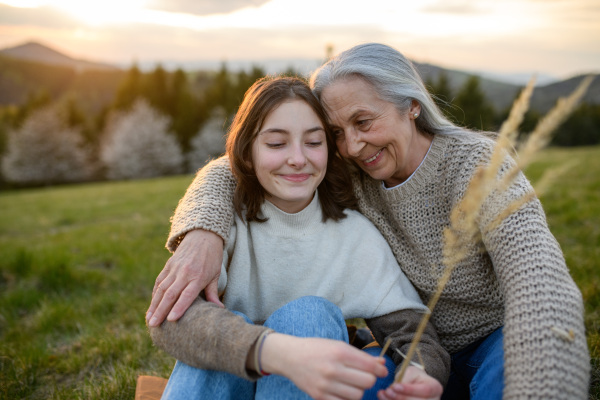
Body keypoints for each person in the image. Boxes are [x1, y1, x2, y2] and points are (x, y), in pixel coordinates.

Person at [146, 44, 590, 399]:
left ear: (411, 105)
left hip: (494, 340)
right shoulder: (346, 171)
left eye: (363, 121)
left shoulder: (478, 166)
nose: (353, 146)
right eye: (337, 133)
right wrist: (203, 231)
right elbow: (241, 164)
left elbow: (540, 281)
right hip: (403, 357)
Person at [148, 76, 449, 400]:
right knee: (217, 334)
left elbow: (412, 332)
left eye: (313, 142)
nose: (297, 158)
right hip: (227, 382)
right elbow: (170, 321)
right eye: (277, 144)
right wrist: (275, 352)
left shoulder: (353, 235)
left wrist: (419, 373)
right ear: (247, 153)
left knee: (309, 315)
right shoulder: (219, 226)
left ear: (331, 151)